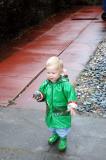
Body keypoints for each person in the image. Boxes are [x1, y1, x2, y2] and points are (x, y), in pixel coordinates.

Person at [33, 56, 77, 151]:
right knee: (52, 125)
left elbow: (71, 94)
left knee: (62, 127)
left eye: (53, 73)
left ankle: (63, 138)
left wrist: (71, 106)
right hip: (50, 110)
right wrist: (40, 95)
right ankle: (55, 134)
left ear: (60, 72)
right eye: (48, 73)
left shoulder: (65, 85)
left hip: (62, 111)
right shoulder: (46, 83)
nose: (50, 75)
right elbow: (42, 92)